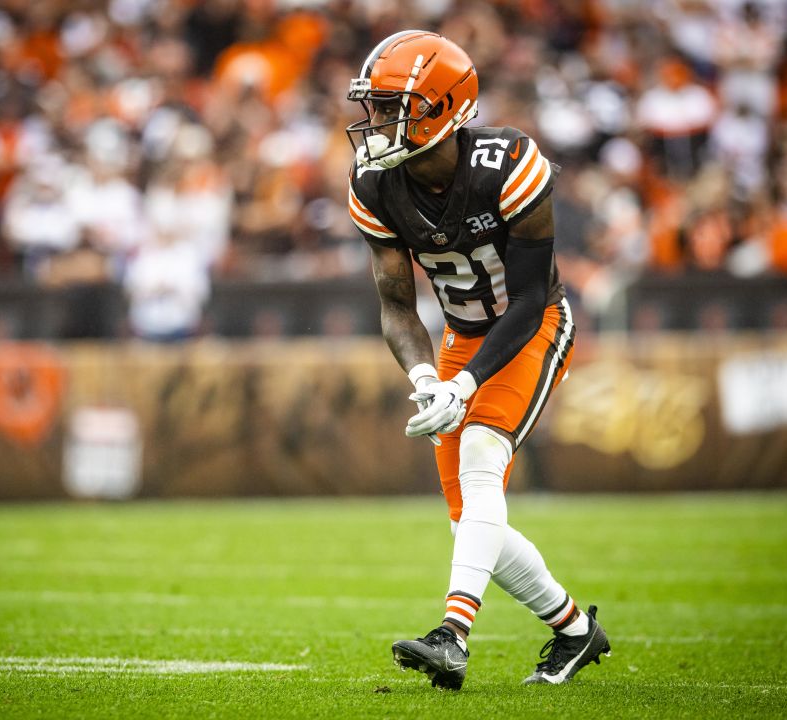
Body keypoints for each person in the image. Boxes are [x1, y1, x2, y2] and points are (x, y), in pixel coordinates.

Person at [344, 31, 610, 690]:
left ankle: (452, 634)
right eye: (373, 107)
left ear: (441, 109)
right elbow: (396, 306)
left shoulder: (511, 162)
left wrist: (467, 381)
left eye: (390, 107)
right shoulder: (376, 184)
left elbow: (526, 299)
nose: (376, 123)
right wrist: (427, 376)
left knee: (482, 457)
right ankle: (575, 630)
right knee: (471, 520)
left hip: (533, 326)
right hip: (461, 335)